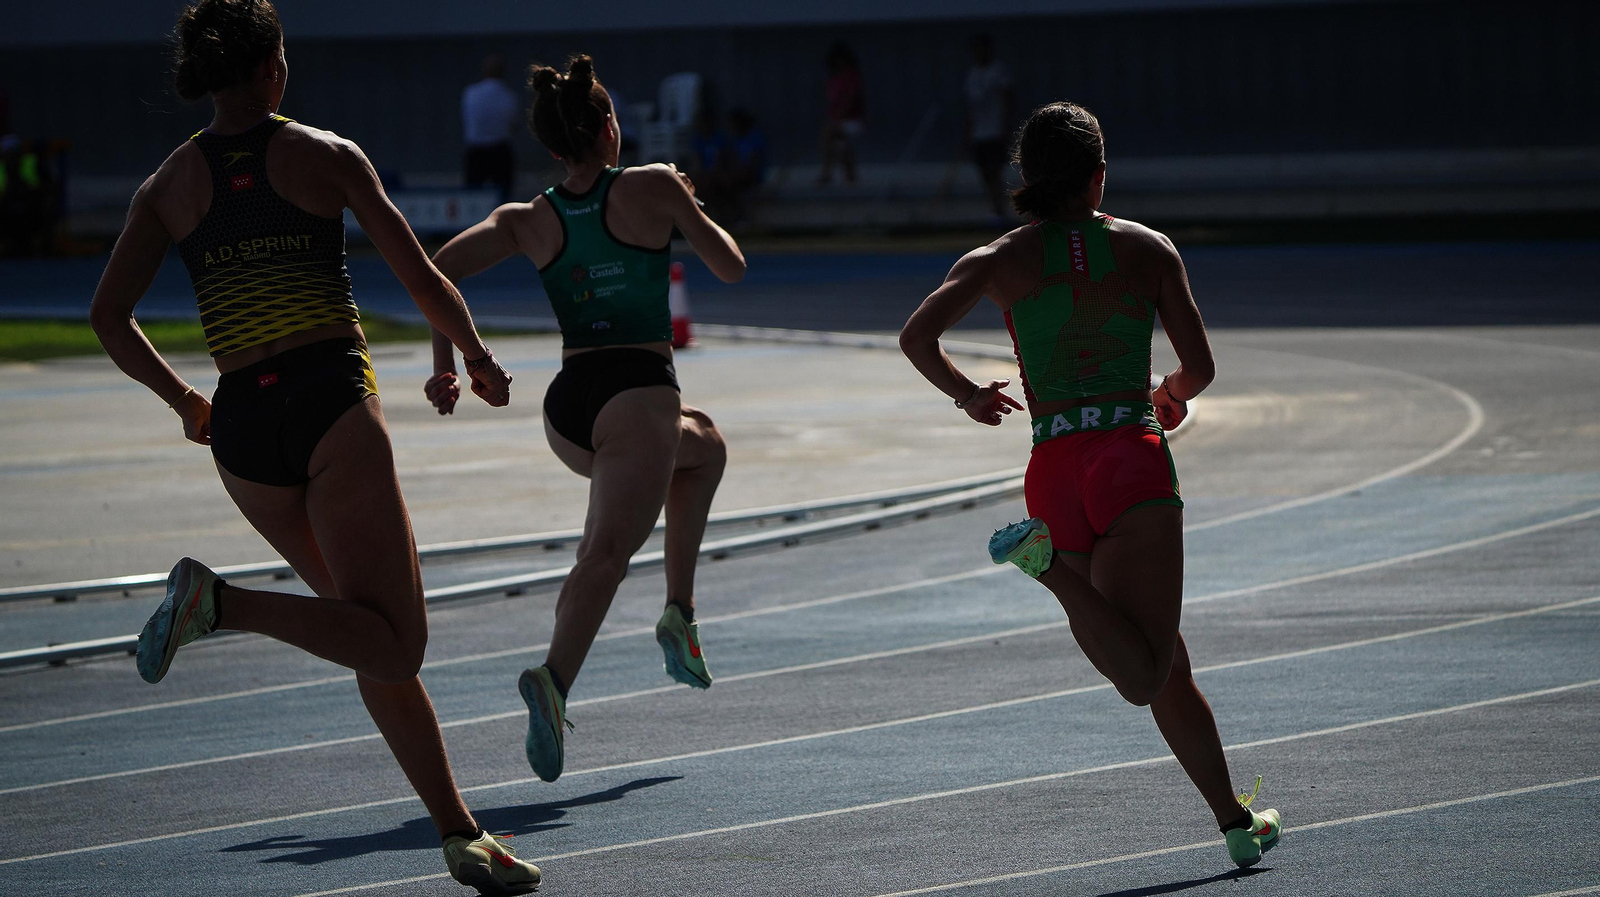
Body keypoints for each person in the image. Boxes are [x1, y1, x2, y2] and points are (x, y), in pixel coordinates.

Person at [87, 2, 539, 893]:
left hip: (244, 434)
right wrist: (478, 360)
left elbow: (109, 315)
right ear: (271, 71)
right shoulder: (324, 154)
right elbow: (421, 276)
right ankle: (220, 604)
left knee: (361, 633)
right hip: (328, 402)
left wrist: (182, 397)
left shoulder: (168, 184)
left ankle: (460, 835)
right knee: (396, 641)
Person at [898, 101, 1284, 870]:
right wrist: (1170, 391)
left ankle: (1234, 817)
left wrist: (970, 394)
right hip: (1128, 455)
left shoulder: (998, 257)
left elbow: (916, 336)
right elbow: (1201, 367)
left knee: (1165, 660)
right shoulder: (1147, 249)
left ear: (1028, 180)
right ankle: (1046, 572)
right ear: (1100, 177)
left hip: (1055, 466)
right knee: (1143, 673)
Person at [423, 54, 745, 784]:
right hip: (635, 392)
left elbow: (436, 270)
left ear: (552, 146)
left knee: (706, 448)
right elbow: (731, 266)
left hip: (570, 409)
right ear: (608, 128)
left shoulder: (529, 217)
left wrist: (454, 363)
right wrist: (690, 209)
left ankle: (679, 613)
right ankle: (553, 678)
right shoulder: (654, 185)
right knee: (603, 554)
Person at [964, 34, 1015, 223]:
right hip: (980, 133)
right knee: (984, 172)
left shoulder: (998, 72)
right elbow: (971, 107)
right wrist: (968, 133)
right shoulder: (973, 75)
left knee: (995, 171)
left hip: (995, 131)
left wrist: (1005, 127)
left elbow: (1008, 99)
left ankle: (1001, 210)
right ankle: (994, 209)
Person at [462, 54, 521, 202]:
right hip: (500, 150)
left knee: (473, 198)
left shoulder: (471, 93)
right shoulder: (509, 96)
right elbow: (513, 126)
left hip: (476, 151)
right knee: (502, 198)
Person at [816, 41, 864, 185]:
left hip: (852, 120)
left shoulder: (851, 76)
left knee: (829, 134)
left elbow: (850, 99)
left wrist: (838, 117)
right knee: (839, 143)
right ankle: (850, 175)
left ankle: (827, 172)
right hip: (838, 120)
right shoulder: (835, 79)